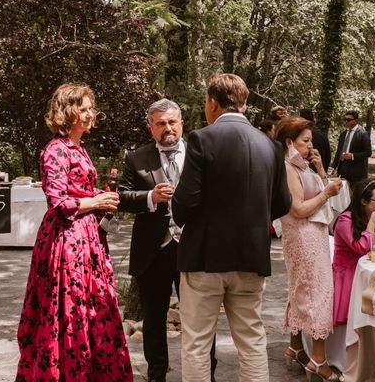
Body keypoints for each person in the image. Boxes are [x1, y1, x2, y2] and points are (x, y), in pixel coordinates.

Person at [172, 73, 292, 381]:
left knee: (197, 343)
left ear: (212, 102)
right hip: (251, 257)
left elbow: (184, 204)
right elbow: (282, 205)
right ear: (245, 103)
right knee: (251, 340)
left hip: (205, 258)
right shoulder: (271, 146)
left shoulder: (202, 138)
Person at [15, 83, 132, 382]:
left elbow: (75, 190)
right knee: (68, 312)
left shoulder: (78, 148)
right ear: (68, 112)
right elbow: (57, 201)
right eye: (84, 109)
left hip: (87, 238)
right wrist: (95, 200)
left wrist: (99, 197)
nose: (91, 114)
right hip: (66, 242)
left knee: (92, 309)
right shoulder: (55, 150)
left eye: (90, 108)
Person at [118, 98, 216, 382]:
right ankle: (157, 374)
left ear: (182, 124)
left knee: (199, 319)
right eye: (161, 123)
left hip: (195, 248)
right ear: (151, 128)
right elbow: (123, 197)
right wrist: (150, 197)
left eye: (172, 122)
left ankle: (203, 374)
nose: (167, 128)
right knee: (154, 320)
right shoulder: (136, 158)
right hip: (154, 250)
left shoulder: (202, 152)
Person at [275, 116, 343, 382]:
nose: (310, 146)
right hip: (303, 236)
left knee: (302, 288)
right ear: (289, 142)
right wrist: (327, 193)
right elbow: (299, 208)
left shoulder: (301, 165)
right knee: (317, 293)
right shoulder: (286, 168)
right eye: (305, 141)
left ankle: (295, 345)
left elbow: (325, 197)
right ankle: (319, 359)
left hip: (312, 234)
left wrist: (321, 169)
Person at [332, 180, 375, 326]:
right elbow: (361, 248)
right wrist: (371, 224)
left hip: (372, 270)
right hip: (349, 275)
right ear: (363, 201)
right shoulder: (345, 221)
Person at [332, 110, 372, 185]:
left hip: (356, 172)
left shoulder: (363, 134)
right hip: (342, 171)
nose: (346, 121)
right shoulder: (343, 134)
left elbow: (368, 152)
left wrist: (353, 156)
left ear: (356, 120)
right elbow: (339, 152)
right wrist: (333, 167)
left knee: (355, 195)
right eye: (345, 119)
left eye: (349, 120)